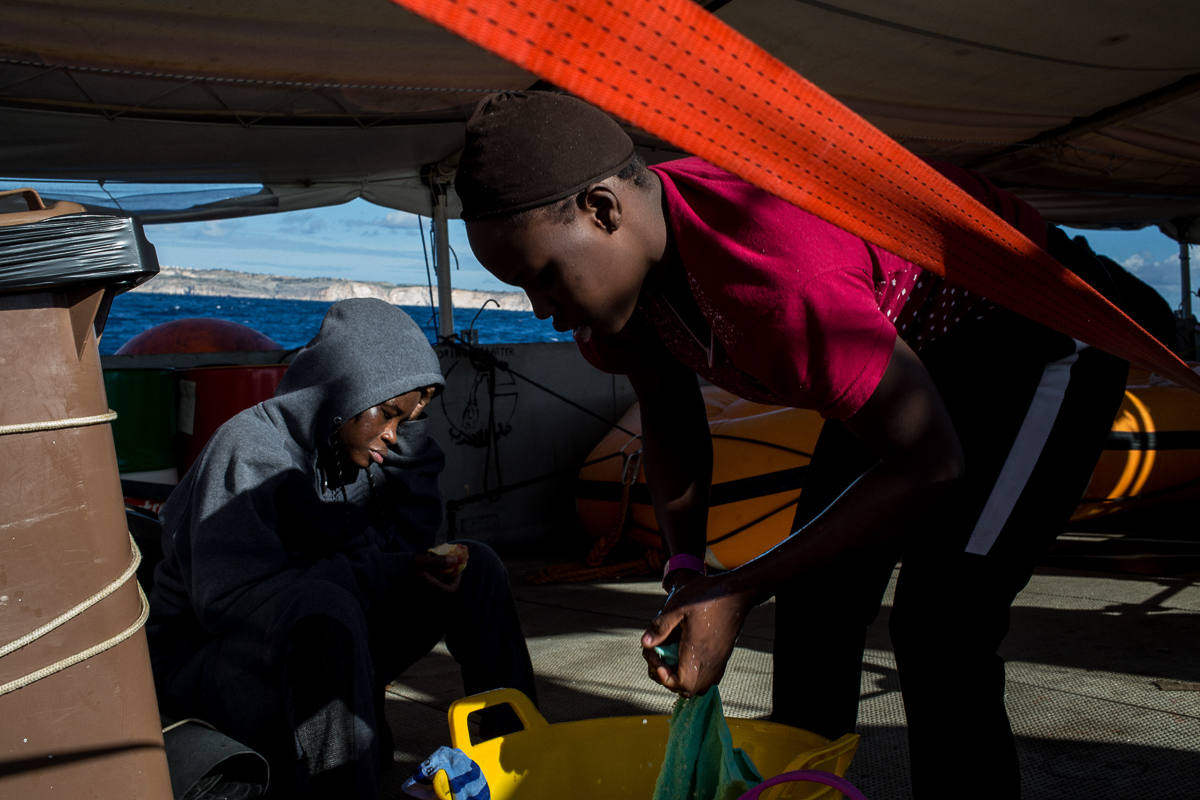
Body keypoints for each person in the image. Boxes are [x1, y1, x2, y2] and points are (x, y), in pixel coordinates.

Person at [455, 91, 1130, 798]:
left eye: (543, 277)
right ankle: (803, 789)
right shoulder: (618, 298)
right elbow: (669, 414)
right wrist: (688, 572)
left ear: (603, 210)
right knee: (813, 602)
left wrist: (738, 589)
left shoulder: (775, 275)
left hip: (1037, 325)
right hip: (905, 345)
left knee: (943, 624)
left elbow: (931, 462)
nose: (543, 311)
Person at [147, 298, 537, 799]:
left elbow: (402, 548)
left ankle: (518, 757)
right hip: (208, 672)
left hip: (315, 637)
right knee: (323, 605)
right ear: (344, 389)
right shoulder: (248, 450)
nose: (392, 434)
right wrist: (380, 572)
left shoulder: (351, 452)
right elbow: (228, 604)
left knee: (475, 567)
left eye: (406, 421)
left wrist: (409, 441)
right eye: (388, 414)